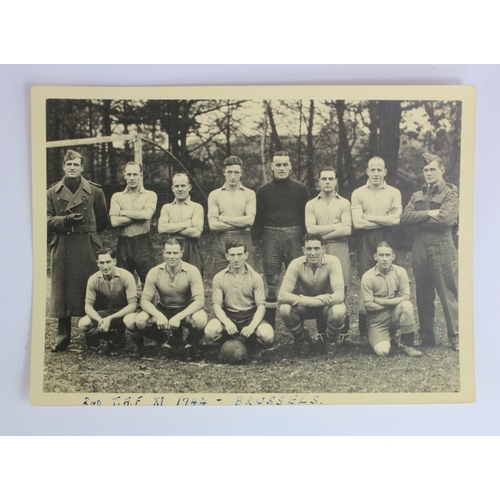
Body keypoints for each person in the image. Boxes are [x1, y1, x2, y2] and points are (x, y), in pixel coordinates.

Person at [47, 150, 108, 352]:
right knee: (62, 290)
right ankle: (63, 335)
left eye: (76, 165)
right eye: (68, 164)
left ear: (82, 168)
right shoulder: (52, 192)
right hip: (63, 244)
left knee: (88, 288)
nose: (72, 167)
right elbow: (45, 220)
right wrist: (64, 221)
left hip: (86, 245)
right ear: (63, 167)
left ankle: (92, 333)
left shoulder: (95, 191)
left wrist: (86, 232)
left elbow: (102, 220)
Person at [401, 153, 459, 351]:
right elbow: (405, 217)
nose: (429, 173)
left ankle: (456, 337)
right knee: (423, 293)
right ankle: (427, 337)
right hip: (420, 247)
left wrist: (421, 219)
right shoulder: (419, 194)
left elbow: (446, 219)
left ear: (442, 170)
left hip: (442, 246)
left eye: (433, 169)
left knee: (447, 292)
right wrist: (428, 213)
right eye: (426, 170)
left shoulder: (451, 193)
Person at [126, 237, 207, 360]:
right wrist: (158, 315)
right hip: (164, 308)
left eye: (175, 253)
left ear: (182, 253)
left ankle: (190, 342)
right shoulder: (154, 272)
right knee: (140, 320)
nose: (172, 256)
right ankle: (165, 340)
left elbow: (199, 301)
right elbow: (145, 301)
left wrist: (179, 316)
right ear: (163, 253)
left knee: (200, 319)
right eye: (168, 253)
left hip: (185, 309)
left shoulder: (192, 270)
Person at [255, 151, 309, 328]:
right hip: (271, 236)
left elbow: (305, 216)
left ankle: (297, 327)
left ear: (290, 166)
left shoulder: (301, 189)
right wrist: (257, 240)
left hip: (295, 235)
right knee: (271, 282)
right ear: (271, 166)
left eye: (285, 164)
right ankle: (269, 328)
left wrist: (304, 239)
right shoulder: (263, 191)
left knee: (296, 282)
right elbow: (259, 218)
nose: (281, 168)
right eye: (278, 165)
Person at [351, 157, 402, 342]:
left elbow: (395, 220)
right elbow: (357, 222)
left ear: (385, 172)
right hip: (365, 240)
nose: (375, 173)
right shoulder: (358, 193)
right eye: (372, 170)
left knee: (389, 278)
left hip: (386, 237)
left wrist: (368, 217)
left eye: (379, 170)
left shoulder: (394, 192)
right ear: (367, 171)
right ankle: (365, 332)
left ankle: (392, 330)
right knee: (366, 279)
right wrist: (383, 218)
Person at [278, 234, 346, 356]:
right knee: (285, 309)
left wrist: (315, 301)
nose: (313, 253)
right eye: (309, 249)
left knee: (339, 310)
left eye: (317, 248)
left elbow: (340, 296)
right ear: (303, 250)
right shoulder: (295, 263)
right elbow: (282, 295)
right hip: (306, 306)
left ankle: (330, 341)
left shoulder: (333, 261)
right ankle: (303, 339)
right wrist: (310, 301)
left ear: (323, 249)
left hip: (326, 305)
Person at [204, 241, 274, 357]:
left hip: (250, 315)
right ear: (227, 256)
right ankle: (225, 342)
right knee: (210, 331)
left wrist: (252, 326)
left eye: (239, 254)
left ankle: (252, 344)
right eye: (232, 255)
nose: (236, 259)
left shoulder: (256, 277)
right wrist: (227, 322)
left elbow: (261, 306)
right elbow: (216, 305)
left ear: (246, 255)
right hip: (229, 315)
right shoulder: (219, 277)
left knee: (267, 335)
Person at [305, 168, 352, 340]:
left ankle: (344, 333)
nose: (327, 182)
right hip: (319, 250)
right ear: (319, 181)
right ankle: (322, 333)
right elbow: (310, 229)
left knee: (342, 288)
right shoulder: (311, 204)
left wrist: (321, 235)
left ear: (336, 181)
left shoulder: (344, 203)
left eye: (331, 178)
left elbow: (347, 229)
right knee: (322, 288)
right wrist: (336, 226)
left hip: (340, 248)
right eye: (323, 178)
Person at [360, 241, 422, 357]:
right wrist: (393, 302)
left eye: (387, 255)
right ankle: (384, 337)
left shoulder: (401, 272)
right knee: (383, 351)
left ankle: (407, 344)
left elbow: (405, 297)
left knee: (407, 305)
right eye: (381, 255)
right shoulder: (368, 277)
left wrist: (382, 301)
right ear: (375, 257)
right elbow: (369, 306)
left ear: (393, 256)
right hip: (377, 320)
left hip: (394, 313)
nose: (384, 259)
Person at [78, 247, 137, 355]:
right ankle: (114, 338)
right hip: (111, 310)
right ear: (97, 263)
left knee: (130, 321)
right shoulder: (93, 279)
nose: (105, 266)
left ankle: (140, 346)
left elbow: (133, 305)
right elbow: (88, 306)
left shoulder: (126, 276)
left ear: (115, 261)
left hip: (128, 312)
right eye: (101, 263)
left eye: (108, 262)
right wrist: (100, 320)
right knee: (83, 324)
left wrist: (109, 319)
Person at [109, 161, 158, 286]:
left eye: (135, 174)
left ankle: (148, 305)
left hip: (143, 242)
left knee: (149, 279)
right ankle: (128, 305)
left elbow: (147, 215)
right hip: (123, 243)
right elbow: (114, 222)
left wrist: (123, 212)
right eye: (129, 174)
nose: (132, 178)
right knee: (123, 280)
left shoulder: (150, 195)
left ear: (141, 175)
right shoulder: (117, 196)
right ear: (124, 175)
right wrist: (139, 215)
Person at [207, 156, 256, 275]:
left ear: (241, 173)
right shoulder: (214, 194)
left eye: (236, 172)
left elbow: (250, 221)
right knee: (220, 276)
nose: (233, 176)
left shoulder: (249, 194)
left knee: (247, 276)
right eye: (229, 172)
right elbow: (213, 225)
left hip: (244, 237)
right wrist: (240, 223)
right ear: (224, 172)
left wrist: (223, 218)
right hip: (222, 238)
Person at [158, 172, 204, 276]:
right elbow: (161, 228)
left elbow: (196, 233)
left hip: (191, 247)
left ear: (189, 187)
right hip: (172, 247)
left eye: (183, 186)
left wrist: (171, 227)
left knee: (193, 278)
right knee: (172, 279)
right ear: (172, 188)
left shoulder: (196, 207)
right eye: (176, 186)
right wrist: (186, 224)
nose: (180, 189)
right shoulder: (167, 207)